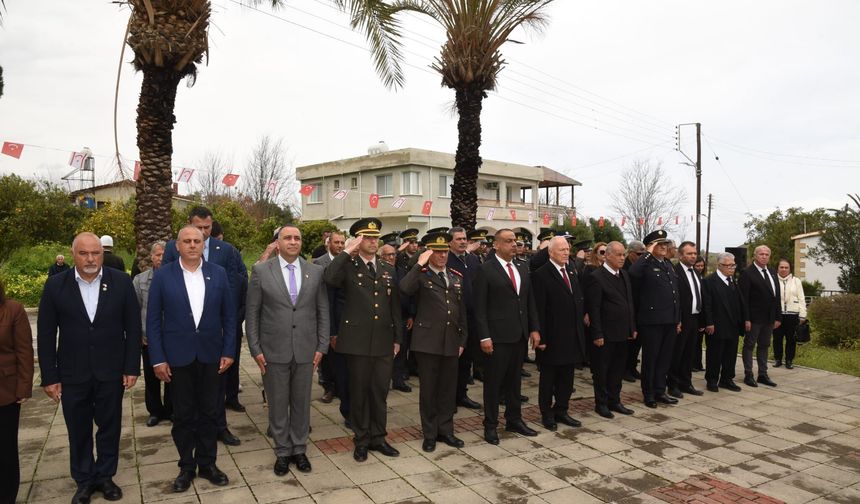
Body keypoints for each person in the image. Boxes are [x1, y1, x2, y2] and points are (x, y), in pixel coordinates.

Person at [37, 232, 141, 504]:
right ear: (73, 255)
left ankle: (105, 476)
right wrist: (50, 376)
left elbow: (132, 327)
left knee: (110, 427)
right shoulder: (55, 286)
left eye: (96, 253)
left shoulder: (120, 282)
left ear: (102, 253)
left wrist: (132, 367)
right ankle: (84, 480)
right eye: (84, 253)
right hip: (73, 374)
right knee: (78, 429)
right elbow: (46, 334)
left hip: (111, 371)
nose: (91, 258)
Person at [146, 226, 236, 492]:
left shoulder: (218, 274)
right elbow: (153, 321)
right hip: (178, 357)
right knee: (183, 415)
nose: (193, 245)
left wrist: (229, 351)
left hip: (211, 355)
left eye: (198, 241)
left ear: (203, 245)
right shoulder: (163, 276)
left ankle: (207, 463)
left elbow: (229, 317)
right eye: (187, 241)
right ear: (177, 245)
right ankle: (186, 466)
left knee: (210, 412)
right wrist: (158, 359)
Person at [246, 224, 329, 475]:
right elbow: (253, 313)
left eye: (297, 238)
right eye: (288, 238)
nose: (293, 242)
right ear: (278, 243)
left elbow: (322, 311)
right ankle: (282, 451)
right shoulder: (261, 271)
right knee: (278, 404)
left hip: (306, 350)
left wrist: (322, 345)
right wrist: (255, 348)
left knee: (302, 403)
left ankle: (299, 449)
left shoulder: (315, 272)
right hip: (272, 350)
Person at [162, 206, 245, 446]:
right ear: (189, 224)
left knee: (217, 387)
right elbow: (166, 285)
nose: (202, 232)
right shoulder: (173, 247)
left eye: (206, 227)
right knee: (184, 392)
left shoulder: (226, 250)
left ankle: (219, 426)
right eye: (198, 227)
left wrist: (227, 325)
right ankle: (189, 433)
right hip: (183, 333)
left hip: (215, 331)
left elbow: (232, 288)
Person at [324, 218, 402, 462]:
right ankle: (361, 439)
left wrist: (398, 338)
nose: (372, 241)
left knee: (379, 391)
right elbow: (329, 278)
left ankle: (378, 436)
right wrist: (347, 250)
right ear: (358, 240)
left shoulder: (388, 269)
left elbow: (395, 307)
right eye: (366, 237)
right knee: (359, 392)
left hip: (383, 340)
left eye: (374, 237)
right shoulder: (348, 266)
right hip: (356, 340)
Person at [400, 232, 467, 452]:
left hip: (451, 341)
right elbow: (404, 289)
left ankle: (446, 430)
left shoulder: (456, 276)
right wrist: (418, 264)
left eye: (444, 251)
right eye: (437, 252)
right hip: (427, 342)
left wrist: (462, 339)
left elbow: (461, 312)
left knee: (448, 390)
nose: (442, 256)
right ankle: (429, 433)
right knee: (429, 390)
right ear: (429, 253)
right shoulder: (421, 275)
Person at [473, 229, 541, 445]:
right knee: (493, 384)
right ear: (497, 245)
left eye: (516, 241)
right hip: (497, 337)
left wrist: (534, 328)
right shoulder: (486, 269)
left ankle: (514, 419)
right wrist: (484, 337)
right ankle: (490, 425)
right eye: (509, 241)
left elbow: (529, 301)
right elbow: (479, 308)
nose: (514, 244)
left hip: (519, 335)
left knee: (514, 382)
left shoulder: (522, 266)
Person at [532, 236, 586, 430]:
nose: (566, 253)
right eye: (562, 249)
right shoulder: (541, 274)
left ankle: (562, 410)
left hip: (572, 335)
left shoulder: (571, 270)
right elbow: (539, 308)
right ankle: (547, 414)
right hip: (552, 337)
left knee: (567, 378)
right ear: (551, 252)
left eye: (567, 249)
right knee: (549, 379)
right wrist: (542, 337)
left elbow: (577, 299)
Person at [628, 230, 681, 409]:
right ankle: (648, 393)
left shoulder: (667, 264)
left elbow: (675, 294)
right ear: (651, 247)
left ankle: (660, 390)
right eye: (660, 244)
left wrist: (677, 318)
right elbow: (633, 273)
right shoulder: (645, 264)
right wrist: (647, 253)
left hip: (669, 320)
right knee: (651, 359)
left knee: (664, 358)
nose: (665, 247)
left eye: (666, 244)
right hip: (652, 321)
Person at [584, 241, 636, 418]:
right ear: (608, 255)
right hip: (605, 334)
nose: (622, 258)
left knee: (617, 370)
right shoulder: (596, 277)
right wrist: (597, 334)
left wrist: (632, 327)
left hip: (622, 333)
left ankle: (615, 400)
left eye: (624, 254)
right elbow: (594, 308)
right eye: (619, 254)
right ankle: (602, 403)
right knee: (602, 371)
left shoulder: (625, 275)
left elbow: (629, 303)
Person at [0, 280, 34, 504]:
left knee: (5, 450)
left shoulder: (12, 310)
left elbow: (24, 351)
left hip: (6, 392)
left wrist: (23, 387)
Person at [133, 241, 173, 427]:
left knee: (173, 378)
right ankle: (155, 411)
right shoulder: (140, 280)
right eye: (157, 254)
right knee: (151, 378)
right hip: (149, 339)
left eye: (164, 254)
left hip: (172, 339)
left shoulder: (176, 278)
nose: (161, 258)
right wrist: (137, 335)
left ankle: (171, 409)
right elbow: (134, 309)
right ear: (151, 256)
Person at [446, 227, 483, 410]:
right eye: (458, 238)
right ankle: (450, 398)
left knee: (467, 359)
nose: (462, 241)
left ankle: (462, 394)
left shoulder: (473, 259)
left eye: (464, 238)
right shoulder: (445, 259)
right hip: (453, 317)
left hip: (472, 316)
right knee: (453, 360)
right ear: (450, 242)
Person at [702, 253, 746, 392]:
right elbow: (707, 304)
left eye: (733, 265)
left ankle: (727, 379)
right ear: (719, 266)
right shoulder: (709, 281)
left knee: (730, 354)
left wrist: (744, 320)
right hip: (717, 325)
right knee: (715, 354)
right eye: (729, 265)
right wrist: (709, 322)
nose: (732, 268)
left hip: (733, 325)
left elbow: (739, 303)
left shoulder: (733, 280)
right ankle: (712, 380)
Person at [738, 245, 781, 388]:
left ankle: (763, 374)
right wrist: (746, 318)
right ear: (755, 256)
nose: (764, 256)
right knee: (749, 345)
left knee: (764, 345)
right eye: (761, 254)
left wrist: (777, 317)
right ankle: (748, 374)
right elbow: (743, 298)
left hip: (769, 318)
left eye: (767, 254)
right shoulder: (747, 273)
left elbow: (777, 296)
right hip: (754, 318)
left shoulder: (773, 272)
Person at [667, 241, 705, 398]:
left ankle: (686, 382)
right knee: (677, 352)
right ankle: (673, 385)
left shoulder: (695, 272)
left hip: (694, 318)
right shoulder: (674, 272)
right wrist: (677, 319)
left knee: (690, 352)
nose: (693, 256)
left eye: (695, 253)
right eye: (689, 253)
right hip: (681, 319)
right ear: (680, 255)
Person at [313, 231, 347, 409]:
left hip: (343, 316)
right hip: (325, 314)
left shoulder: (349, 262)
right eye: (336, 242)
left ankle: (342, 388)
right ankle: (329, 388)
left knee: (342, 358)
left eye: (342, 243)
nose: (340, 246)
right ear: (328, 244)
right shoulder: (319, 264)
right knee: (327, 357)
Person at [773, 259, 806, 369]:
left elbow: (801, 298)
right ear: (777, 268)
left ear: (790, 269)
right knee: (777, 338)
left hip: (792, 315)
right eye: (781, 267)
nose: (784, 269)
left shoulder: (796, 281)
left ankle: (789, 360)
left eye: (786, 267)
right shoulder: (773, 280)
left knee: (791, 339)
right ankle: (778, 359)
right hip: (778, 314)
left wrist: (803, 314)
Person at [622, 240, 646, 382]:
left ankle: (632, 367)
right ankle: (625, 369)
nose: (641, 256)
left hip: (640, 309)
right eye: (638, 254)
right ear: (630, 253)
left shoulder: (642, 266)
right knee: (628, 343)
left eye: (643, 254)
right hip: (628, 310)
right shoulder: (625, 267)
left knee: (638, 342)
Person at [692, 256, 707, 371]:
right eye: (698, 266)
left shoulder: (703, 278)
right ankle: (692, 363)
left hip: (701, 313)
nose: (700, 268)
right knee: (693, 341)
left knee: (699, 341)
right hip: (693, 314)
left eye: (702, 266)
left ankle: (698, 363)